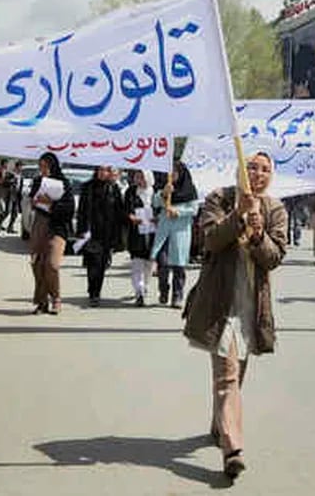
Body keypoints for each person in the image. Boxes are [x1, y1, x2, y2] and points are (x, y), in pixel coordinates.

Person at [183, 151, 287, 480]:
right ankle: (233, 450)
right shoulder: (220, 198)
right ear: (239, 170)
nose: (258, 173)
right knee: (227, 377)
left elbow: (274, 257)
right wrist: (238, 217)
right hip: (219, 304)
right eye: (252, 167)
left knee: (234, 379)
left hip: (251, 309)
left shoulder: (275, 209)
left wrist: (258, 234)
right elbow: (211, 241)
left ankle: (219, 426)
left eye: (265, 169)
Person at [28, 153, 75, 315]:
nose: (43, 170)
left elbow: (69, 208)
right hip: (40, 225)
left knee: (52, 264)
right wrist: (34, 202)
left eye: (46, 166)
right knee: (37, 264)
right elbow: (32, 200)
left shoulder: (64, 183)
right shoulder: (37, 181)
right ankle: (42, 302)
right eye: (40, 166)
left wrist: (51, 204)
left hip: (57, 227)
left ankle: (56, 298)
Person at [151, 160, 198, 308]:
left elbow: (194, 209)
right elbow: (155, 202)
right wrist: (164, 193)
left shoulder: (190, 189)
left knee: (179, 266)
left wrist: (178, 212)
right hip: (164, 232)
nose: (172, 175)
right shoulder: (165, 188)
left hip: (180, 232)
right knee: (163, 263)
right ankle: (163, 289)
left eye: (175, 173)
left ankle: (177, 295)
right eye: (169, 173)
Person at [76, 166, 124, 307]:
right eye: (101, 170)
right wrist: (81, 230)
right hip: (91, 232)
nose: (103, 173)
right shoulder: (88, 187)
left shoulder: (113, 189)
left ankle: (96, 292)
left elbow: (119, 211)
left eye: (106, 170)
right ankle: (93, 292)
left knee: (102, 265)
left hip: (107, 233)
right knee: (92, 263)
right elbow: (82, 211)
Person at [124, 170, 156, 307]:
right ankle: (139, 291)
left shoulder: (156, 193)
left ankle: (144, 286)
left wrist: (158, 218)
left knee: (149, 264)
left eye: (142, 177)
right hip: (136, 232)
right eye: (137, 177)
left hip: (153, 233)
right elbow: (125, 209)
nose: (139, 179)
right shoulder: (130, 192)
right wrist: (131, 217)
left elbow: (161, 208)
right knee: (137, 263)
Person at [5, 160, 24, 234]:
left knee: (15, 213)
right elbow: (5, 182)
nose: (21, 168)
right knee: (7, 211)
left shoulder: (21, 176)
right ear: (17, 167)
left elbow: (20, 186)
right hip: (10, 195)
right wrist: (11, 181)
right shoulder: (10, 174)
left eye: (22, 166)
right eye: (20, 166)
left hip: (16, 196)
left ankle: (10, 227)